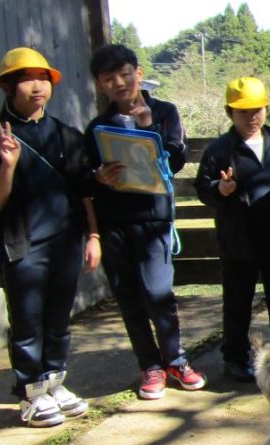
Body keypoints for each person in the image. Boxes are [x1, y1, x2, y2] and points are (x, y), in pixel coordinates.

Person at [0, 47, 98, 427]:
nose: (37, 86)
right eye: (26, 78)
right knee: (26, 321)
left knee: (59, 319)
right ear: (8, 87)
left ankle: (55, 384)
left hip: (66, 241)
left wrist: (93, 235)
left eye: (43, 78)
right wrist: (7, 165)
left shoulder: (67, 136)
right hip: (21, 243)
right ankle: (30, 393)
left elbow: (83, 191)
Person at [84, 44, 205, 400]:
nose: (119, 83)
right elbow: (86, 177)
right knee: (129, 297)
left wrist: (147, 127)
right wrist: (98, 178)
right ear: (101, 84)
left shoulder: (165, 112)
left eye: (125, 74)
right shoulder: (97, 126)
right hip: (114, 223)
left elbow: (178, 160)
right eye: (109, 79)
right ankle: (150, 366)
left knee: (158, 293)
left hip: (153, 221)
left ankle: (176, 360)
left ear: (138, 72)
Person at [193, 77, 270, 382]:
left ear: (266, 108)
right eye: (243, 111)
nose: (251, 117)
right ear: (230, 113)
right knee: (237, 303)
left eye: (257, 109)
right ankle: (235, 358)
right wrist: (220, 189)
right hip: (238, 240)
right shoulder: (220, 150)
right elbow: (202, 187)